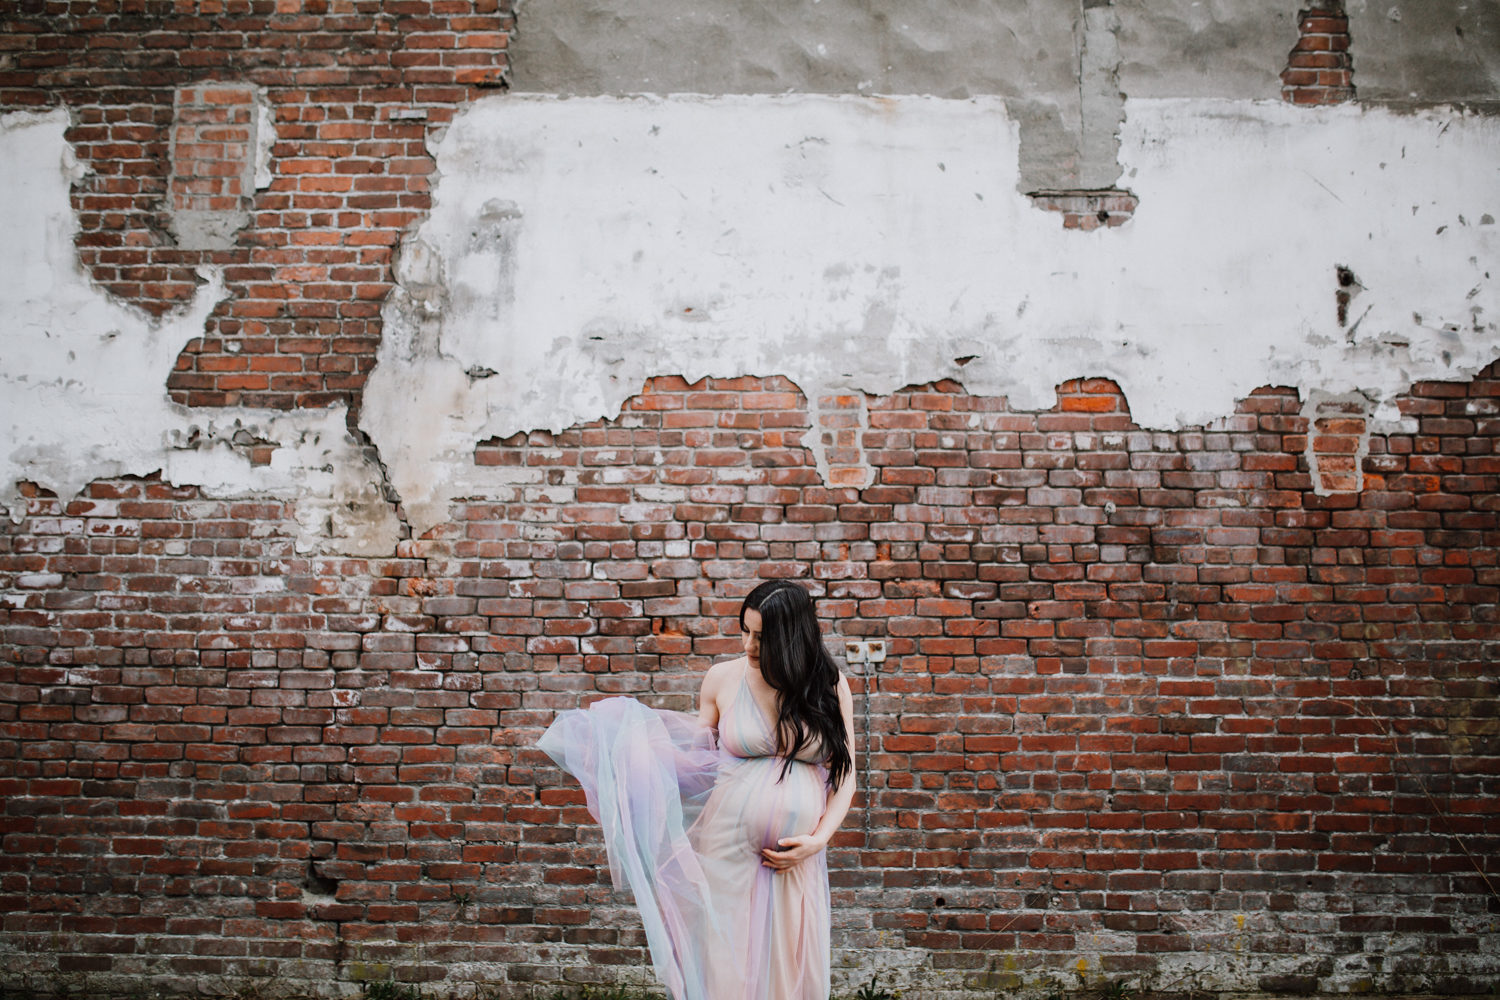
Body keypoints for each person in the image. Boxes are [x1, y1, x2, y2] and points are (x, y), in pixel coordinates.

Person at [537, 579, 856, 1000]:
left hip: (795, 858)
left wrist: (818, 841)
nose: (748, 645)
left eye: (762, 637)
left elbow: (845, 775)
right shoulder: (722, 679)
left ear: (791, 638)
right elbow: (698, 764)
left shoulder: (829, 686)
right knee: (726, 964)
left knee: (789, 967)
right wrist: (631, 753)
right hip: (726, 849)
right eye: (745, 631)